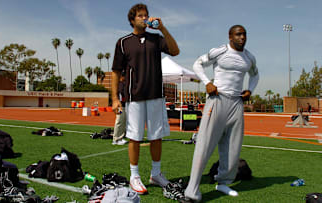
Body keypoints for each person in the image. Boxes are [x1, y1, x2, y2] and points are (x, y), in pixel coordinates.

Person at [183, 25, 259, 202]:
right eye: (238, 34)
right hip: (217, 99)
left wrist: (250, 90)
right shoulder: (220, 51)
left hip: (236, 103)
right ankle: (192, 190)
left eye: (244, 34)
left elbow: (255, 75)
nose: (242, 37)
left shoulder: (249, 57)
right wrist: (207, 82)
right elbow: (197, 64)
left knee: (233, 147)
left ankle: (223, 181)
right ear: (230, 36)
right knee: (205, 144)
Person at [111, 3, 179, 195]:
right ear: (132, 20)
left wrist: (163, 28)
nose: (145, 18)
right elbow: (116, 72)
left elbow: (175, 51)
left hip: (156, 95)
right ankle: (134, 175)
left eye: (146, 15)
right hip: (134, 97)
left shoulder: (156, 39)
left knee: (156, 136)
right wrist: (115, 98)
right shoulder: (123, 42)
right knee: (134, 137)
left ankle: (155, 174)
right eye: (140, 15)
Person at [112, 71, 128, 145]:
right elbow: (122, 93)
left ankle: (120, 138)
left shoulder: (121, 84)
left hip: (123, 105)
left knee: (122, 121)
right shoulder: (121, 84)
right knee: (119, 121)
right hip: (120, 106)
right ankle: (116, 139)